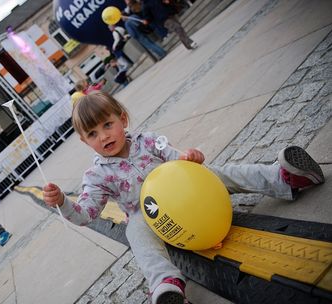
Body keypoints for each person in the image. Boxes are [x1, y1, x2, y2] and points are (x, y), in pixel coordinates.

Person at [42, 91, 324, 304]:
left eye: (107, 124)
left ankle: (284, 178)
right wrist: (63, 203)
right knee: (135, 232)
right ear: (83, 141)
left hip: (185, 190)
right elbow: (85, 215)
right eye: (92, 133)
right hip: (152, 215)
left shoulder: (148, 141)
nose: (103, 136)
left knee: (221, 173)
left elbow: (179, 160)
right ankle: (166, 284)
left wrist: (192, 158)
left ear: (122, 120)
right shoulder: (96, 176)